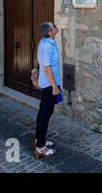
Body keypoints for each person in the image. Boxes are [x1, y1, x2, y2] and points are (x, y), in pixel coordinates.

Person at [33, 22, 61, 159]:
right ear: (50, 32)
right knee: (45, 114)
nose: (56, 27)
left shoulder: (46, 42)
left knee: (43, 112)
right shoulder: (47, 47)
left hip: (48, 83)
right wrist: (54, 87)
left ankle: (39, 139)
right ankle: (41, 147)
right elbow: (47, 68)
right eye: (54, 26)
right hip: (49, 85)